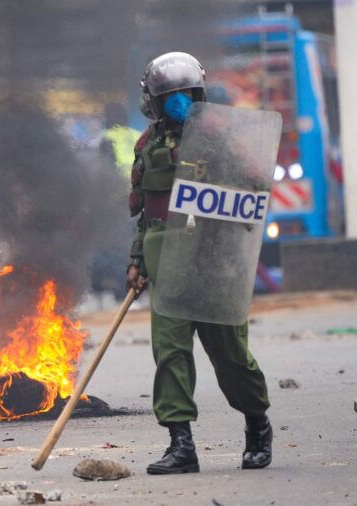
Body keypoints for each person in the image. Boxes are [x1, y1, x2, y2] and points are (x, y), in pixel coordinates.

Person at [126, 52, 272, 475]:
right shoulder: (147, 145)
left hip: (216, 264)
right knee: (170, 353)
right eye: (169, 96)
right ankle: (181, 443)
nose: (178, 102)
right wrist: (137, 260)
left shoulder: (222, 137)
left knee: (231, 356)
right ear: (153, 101)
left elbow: (254, 186)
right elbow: (146, 211)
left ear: (199, 93)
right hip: (168, 265)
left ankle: (257, 425)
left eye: (185, 94)